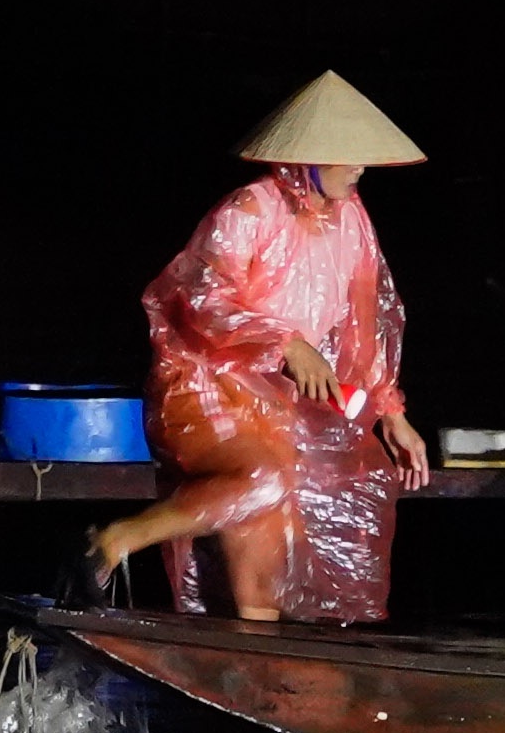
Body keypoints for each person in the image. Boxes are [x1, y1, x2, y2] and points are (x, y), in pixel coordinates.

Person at [74, 72, 431, 627]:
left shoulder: (353, 223)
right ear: (309, 158)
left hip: (271, 402)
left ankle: (256, 655)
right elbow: (201, 294)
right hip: (201, 384)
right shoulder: (250, 210)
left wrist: (391, 411)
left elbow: (370, 322)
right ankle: (116, 540)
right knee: (264, 482)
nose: (361, 170)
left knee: (269, 532)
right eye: (350, 158)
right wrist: (284, 341)